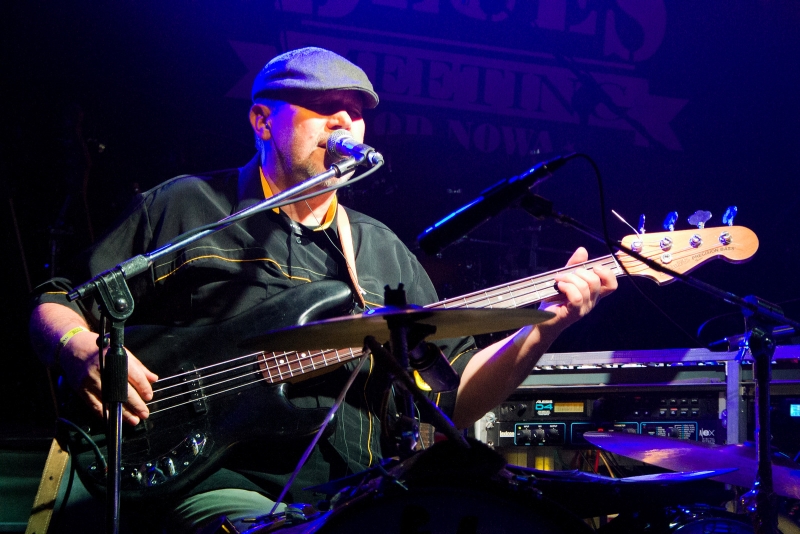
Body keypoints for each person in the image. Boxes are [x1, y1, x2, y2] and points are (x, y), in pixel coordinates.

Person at [29, 47, 617, 533]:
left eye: (356, 112)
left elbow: (453, 400)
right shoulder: (189, 206)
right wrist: (77, 347)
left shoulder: (381, 251)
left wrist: (547, 324)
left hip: (354, 497)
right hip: (209, 483)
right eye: (323, 107)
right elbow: (57, 301)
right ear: (262, 121)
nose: (344, 123)